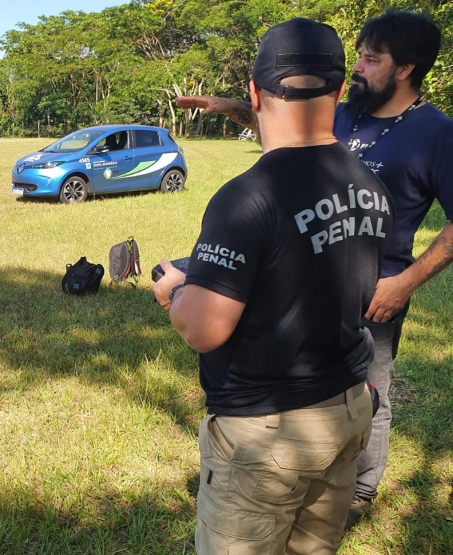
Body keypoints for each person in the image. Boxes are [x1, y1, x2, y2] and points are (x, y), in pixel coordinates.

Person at [175, 10, 453, 527]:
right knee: (320, 383)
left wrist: (405, 281)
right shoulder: (347, 112)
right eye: (360, 57)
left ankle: (359, 490)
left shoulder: (436, 133)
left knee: (370, 388)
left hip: (377, 285)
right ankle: (311, 476)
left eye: (374, 58)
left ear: (406, 68)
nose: (364, 65)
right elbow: (288, 125)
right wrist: (231, 107)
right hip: (306, 271)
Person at [151, 18, 395, 553]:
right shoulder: (368, 183)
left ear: (255, 93)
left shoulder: (248, 196)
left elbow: (203, 328)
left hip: (269, 432)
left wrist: (175, 289)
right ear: (337, 90)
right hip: (347, 410)